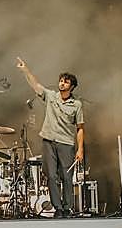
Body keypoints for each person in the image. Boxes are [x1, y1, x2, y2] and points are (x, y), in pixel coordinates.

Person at [16, 58, 84, 218]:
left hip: (66, 144)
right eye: (61, 81)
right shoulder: (51, 96)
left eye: (66, 82)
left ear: (72, 86)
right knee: (51, 176)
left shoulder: (77, 105)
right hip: (48, 141)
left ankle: (67, 208)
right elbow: (36, 85)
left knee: (67, 177)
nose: (62, 84)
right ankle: (58, 207)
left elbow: (80, 128)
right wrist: (25, 70)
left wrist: (80, 149)